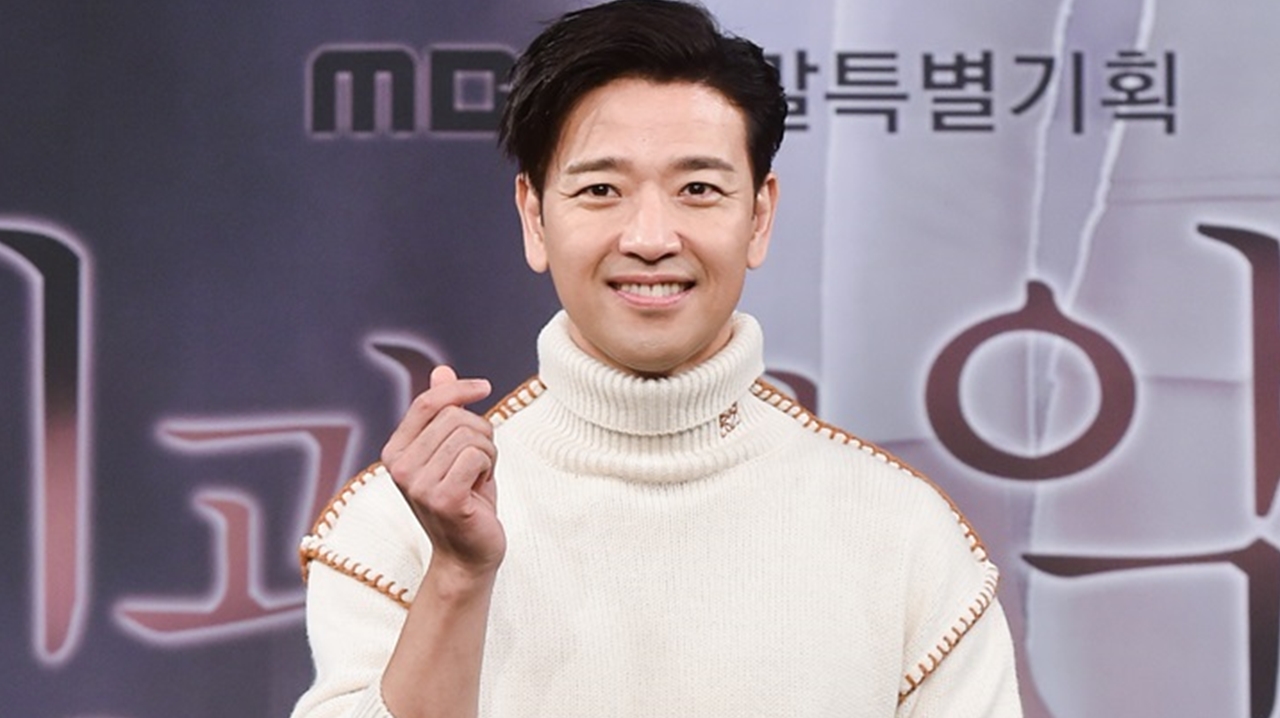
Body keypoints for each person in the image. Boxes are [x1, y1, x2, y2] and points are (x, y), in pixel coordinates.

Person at [291, 1, 1023, 716]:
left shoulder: (904, 534)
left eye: (697, 189)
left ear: (759, 216)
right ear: (534, 217)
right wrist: (457, 573)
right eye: (601, 189)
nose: (649, 237)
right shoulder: (398, 522)